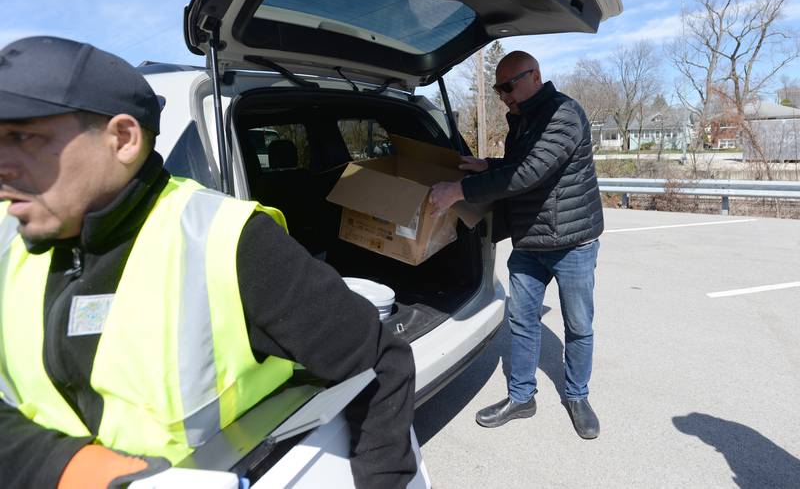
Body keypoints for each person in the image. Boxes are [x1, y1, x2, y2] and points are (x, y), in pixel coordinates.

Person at [0, 36, 417, 488]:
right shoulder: (9, 242)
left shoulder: (224, 240)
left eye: (23, 137)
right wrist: (61, 465)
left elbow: (378, 362)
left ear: (122, 138)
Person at [429, 50, 603, 439]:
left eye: (508, 87)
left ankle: (577, 395)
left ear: (534, 76)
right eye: (498, 89)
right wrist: (488, 165)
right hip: (530, 239)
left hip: (572, 242)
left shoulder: (563, 114)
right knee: (522, 321)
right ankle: (522, 397)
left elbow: (530, 172)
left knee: (578, 325)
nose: (503, 96)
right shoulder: (523, 119)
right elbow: (518, 163)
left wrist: (460, 189)